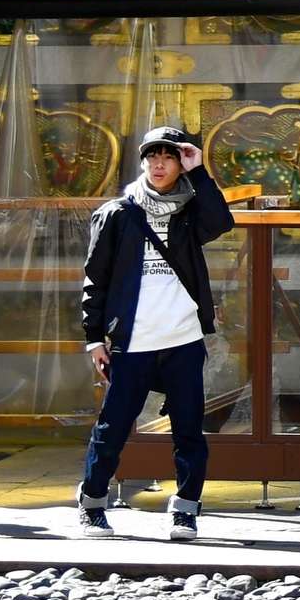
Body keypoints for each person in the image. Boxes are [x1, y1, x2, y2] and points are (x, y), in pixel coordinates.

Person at [78, 124, 232, 537]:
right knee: (113, 427)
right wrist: (94, 338)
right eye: (152, 156)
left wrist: (199, 170)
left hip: (182, 338)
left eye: (169, 157)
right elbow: (96, 278)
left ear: (179, 164)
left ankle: (185, 510)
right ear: (143, 162)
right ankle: (92, 500)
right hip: (133, 339)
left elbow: (221, 221)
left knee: (189, 430)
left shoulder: (189, 212)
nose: (159, 164)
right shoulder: (117, 213)